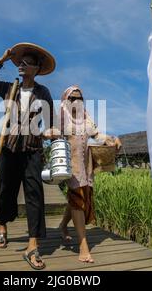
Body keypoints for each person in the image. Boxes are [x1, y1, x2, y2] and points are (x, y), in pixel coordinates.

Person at [0, 43, 56, 270]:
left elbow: (50, 123)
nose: (21, 66)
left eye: (26, 64)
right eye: (20, 63)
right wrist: (2, 59)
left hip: (32, 150)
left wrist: (50, 132)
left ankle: (33, 246)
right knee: (5, 189)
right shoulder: (8, 88)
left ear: (36, 69)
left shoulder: (43, 93)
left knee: (35, 195)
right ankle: (2, 228)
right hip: (9, 148)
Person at [54, 85, 121, 263]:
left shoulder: (86, 118)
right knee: (77, 201)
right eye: (72, 98)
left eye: (80, 98)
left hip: (86, 165)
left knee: (79, 198)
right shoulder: (61, 117)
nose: (76, 101)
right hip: (71, 166)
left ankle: (62, 226)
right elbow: (53, 135)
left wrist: (112, 140)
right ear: (65, 101)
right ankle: (83, 245)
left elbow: (97, 135)